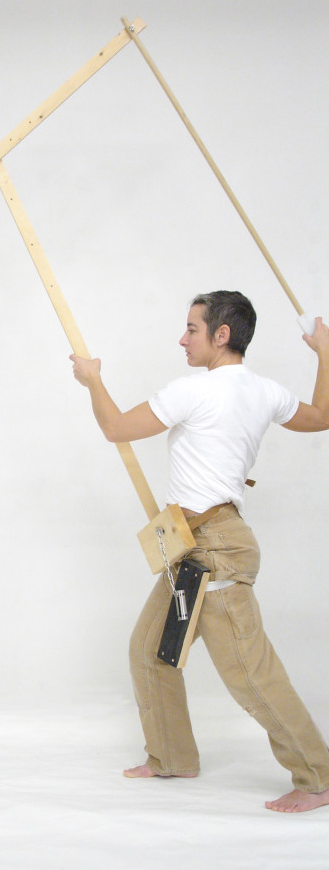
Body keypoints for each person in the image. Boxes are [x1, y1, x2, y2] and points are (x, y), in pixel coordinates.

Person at [70, 290, 329, 813]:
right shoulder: (265, 392)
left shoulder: (195, 391)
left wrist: (93, 380)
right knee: (149, 652)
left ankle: (319, 778)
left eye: (192, 329)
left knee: (251, 674)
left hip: (217, 550)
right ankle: (171, 756)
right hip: (191, 546)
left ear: (222, 335)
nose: (182, 338)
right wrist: (326, 355)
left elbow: (115, 428)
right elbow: (322, 415)